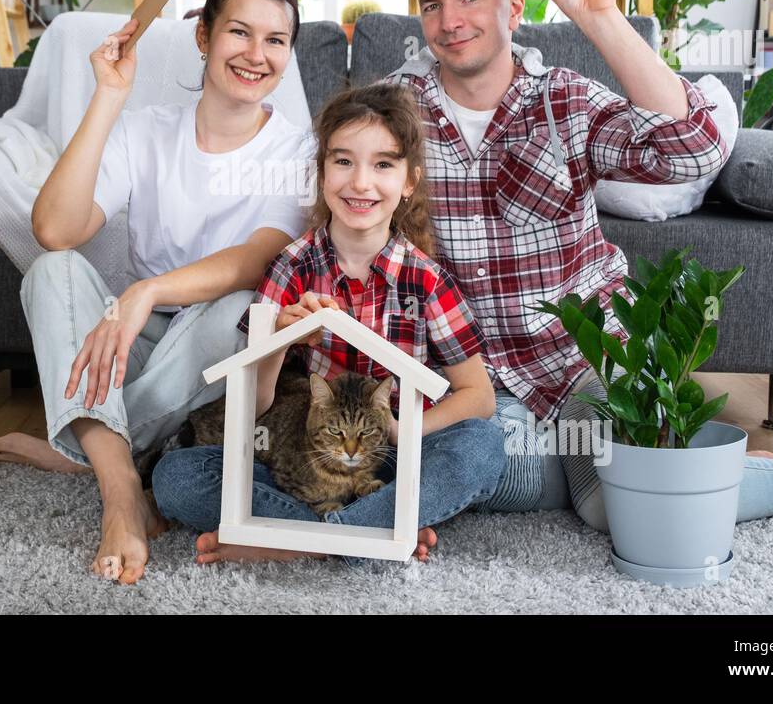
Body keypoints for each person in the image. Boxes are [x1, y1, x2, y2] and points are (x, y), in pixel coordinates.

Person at [385, 0, 773, 535]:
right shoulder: (398, 112)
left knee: (616, 508)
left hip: (585, 360)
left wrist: (601, 19)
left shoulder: (566, 101)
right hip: (470, 383)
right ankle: (690, 467)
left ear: (513, 7)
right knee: (477, 469)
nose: (449, 20)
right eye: (432, 4)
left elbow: (697, 151)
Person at [0, 0, 320, 583]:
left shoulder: (296, 147)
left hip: (215, 354)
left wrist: (147, 289)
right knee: (50, 272)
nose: (256, 54)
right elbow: (53, 228)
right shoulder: (146, 129)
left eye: (276, 40)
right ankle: (121, 485)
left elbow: (258, 259)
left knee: (248, 312)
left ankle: (89, 452)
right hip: (139, 339)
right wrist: (108, 98)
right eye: (240, 32)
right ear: (204, 36)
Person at [152, 84, 507, 565]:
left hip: (394, 450)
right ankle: (373, 530)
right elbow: (251, 407)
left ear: (408, 182)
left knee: (483, 447)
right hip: (310, 454)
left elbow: (479, 396)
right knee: (176, 477)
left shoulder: (426, 279)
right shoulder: (292, 267)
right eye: (343, 161)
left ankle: (303, 541)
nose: (361, 183)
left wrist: (404, 431)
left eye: (383, 165)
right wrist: (279, 342)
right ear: (321, 174)